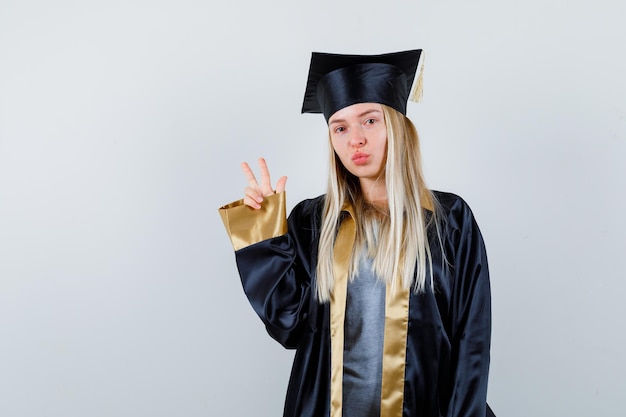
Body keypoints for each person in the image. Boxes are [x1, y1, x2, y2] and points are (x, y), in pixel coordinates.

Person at [219, 49, 494, 417]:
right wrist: (264, 232)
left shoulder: (449, 219)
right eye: (341, 127)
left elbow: (470, 341)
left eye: (369, 120)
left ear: (396, 126)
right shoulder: (312, 221)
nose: (355, 140)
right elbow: (288, 325)